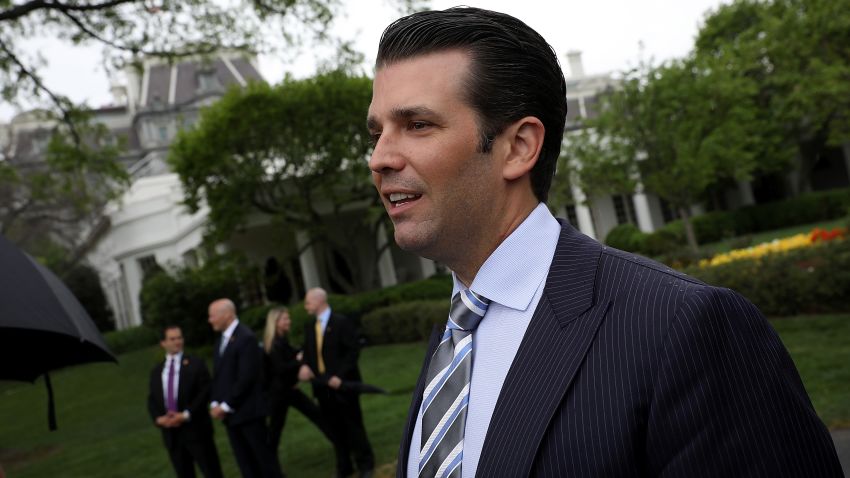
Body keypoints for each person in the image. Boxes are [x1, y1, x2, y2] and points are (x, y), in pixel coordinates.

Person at [366, 7, 843, 478]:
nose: (380, 157)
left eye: (417, 125)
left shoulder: (682, 328)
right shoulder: (453, 343)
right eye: (377, 132)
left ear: (518, 147)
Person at [299, 288, 375, 478]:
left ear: (319, 301)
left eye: (308, 302)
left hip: (343, 385)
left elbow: (352, 351)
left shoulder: (341, 322)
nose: (305, 306)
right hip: (321, 387)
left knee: (353, 425)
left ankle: (365, 464)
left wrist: (339, 376)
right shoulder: (310, 327)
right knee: (334, 428)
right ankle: (344, 466)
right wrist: (305, 365)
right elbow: (308, 352)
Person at [208, 298, 283, 478]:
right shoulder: (220, 342)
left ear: (227, 314)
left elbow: (246, 378)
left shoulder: (245, 338)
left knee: (264, 463)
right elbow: (219, 378)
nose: (210, 320)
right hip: (232, 417)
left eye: (212, 315)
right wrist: (215, 403)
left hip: (249, 413)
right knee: (246, 465)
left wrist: (225, 405)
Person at [147, 325, 224, 478]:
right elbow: (152, 399)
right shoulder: (157, 371)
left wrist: (186, 414)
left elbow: (205, 392)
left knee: (211, 471)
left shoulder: (195, 364)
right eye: (172, 339)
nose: (177, 342)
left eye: (180, 338)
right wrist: (159, 419)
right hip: (172, 434)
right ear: (163, 343)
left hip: (196, 430)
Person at [262, 306, 333, 454]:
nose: (289, 321)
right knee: (275, 429)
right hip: (280, 394)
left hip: (288, 390)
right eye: (285, 319)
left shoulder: (282, 340)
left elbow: (291, 357)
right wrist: (298, 360)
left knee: (316, 415)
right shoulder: (274, 344)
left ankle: (340, 444)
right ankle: (269, 465)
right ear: (276, 322)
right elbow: (280, 368)